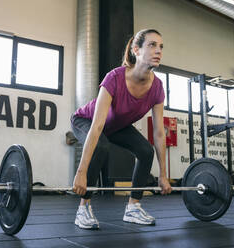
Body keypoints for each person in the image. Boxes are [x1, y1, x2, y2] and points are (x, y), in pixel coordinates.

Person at [70, 29, 172, 230]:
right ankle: (83, 208)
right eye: (152, 45)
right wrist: (81, 173)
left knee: (145, 150)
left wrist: (163, 174)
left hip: (117, 125)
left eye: (161, 46)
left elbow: (159, 132)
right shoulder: (115, 78)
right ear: (136, 49)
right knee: (101, 145)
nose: (158, 50)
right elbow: (98, 125)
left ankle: (133, 207)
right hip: (86, 120)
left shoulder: (158, 87)